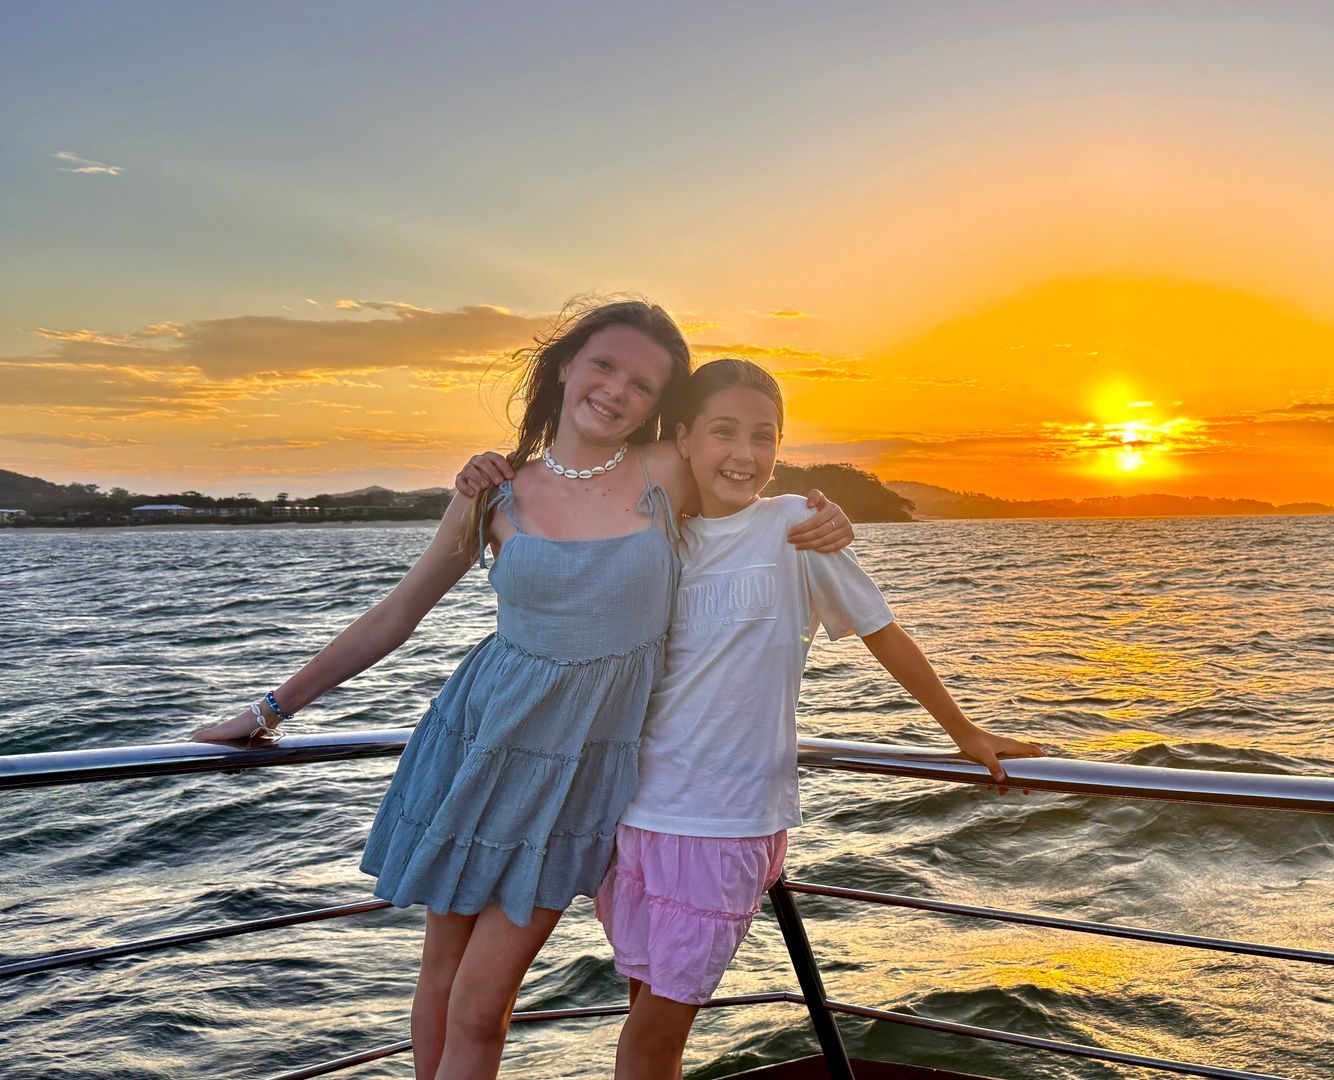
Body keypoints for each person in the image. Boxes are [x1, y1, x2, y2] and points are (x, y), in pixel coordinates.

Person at [190, 300, 855, 1080]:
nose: (616, 390)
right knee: (442, 980)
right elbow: (398, 614)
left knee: (481, 1004)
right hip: (479, 744)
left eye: (642, 384)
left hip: (577, 771)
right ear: (566, 366)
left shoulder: (667, 470)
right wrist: (269, 708)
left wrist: (825, 516)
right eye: (604, 364)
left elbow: (746, 486)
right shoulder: (494, 492)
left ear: (659, 407)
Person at [598, 358, 1043, 1079]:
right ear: (683, 437)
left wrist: (963, 732)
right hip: (638, 813)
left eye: (763, 436)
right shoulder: (659, 534)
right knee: (644, 1022)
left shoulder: (795, 526)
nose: (743, 453)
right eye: (722, 431)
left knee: (651, 1041)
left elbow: (881, 632)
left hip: (726, 820)